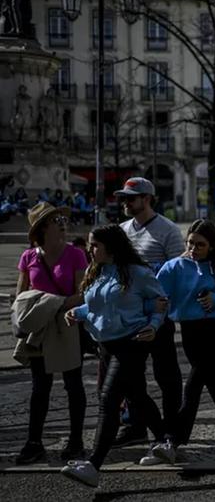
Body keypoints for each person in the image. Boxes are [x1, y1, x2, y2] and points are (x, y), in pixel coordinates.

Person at [59, 225, 168, 488]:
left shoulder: (138, 273)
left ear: (111, 246)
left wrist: (153, 326)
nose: (90, 249)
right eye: (90, 244)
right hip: (105, 344)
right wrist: (79, 313)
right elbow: (99, 303)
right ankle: (167, 441)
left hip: (132, 342)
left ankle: (94, 465)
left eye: (95, 245)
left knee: (108, 400)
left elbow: (161, 302)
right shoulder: (95, 271)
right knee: (137, 396)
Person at [152, 220, 215, 464]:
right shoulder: (174, 267)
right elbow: (157, 293)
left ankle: (173, 440)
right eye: (190, 242)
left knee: (193, 385)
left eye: (200, 244)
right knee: (210, 380)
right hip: (190, 330)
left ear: (211, 246)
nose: (193, 248)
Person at [13, 202, 88, 464]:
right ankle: (34, 443)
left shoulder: (76, 254)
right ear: (42, 229)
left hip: (67, 325)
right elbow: (22, 296)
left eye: (62, 219)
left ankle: (76, 441)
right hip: (41, 330)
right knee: (39, 388)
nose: (62, 223)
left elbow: (82, 294)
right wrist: (50, 303)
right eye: (55, 220)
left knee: (73, 385)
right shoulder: (28, 257)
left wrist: (53, 303)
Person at [113, 177, 185, 448]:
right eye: (124, 198)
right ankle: (136, 425)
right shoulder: (121, 231)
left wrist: (165, 309)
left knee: (166, 375)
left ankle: (172, 427)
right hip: (130, 318)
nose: (125, 203)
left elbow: (179, 273)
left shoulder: (168, 231)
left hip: (158, 317)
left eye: (131, 198)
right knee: (131, 376)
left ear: (147, 199)